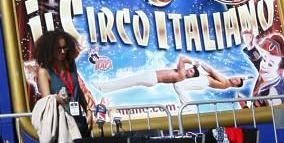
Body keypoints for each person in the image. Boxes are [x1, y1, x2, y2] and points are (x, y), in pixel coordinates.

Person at [95, 56, 246, 104]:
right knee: (128, 81)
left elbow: (181, 58)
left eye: (191, 71)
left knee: (128, 81)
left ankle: (104, 86)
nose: (188, 70)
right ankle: (105, 87)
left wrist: (194, 62)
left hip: (152, 77)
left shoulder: (181, 75)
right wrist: (197, 66)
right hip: (152, 77)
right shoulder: (182, 75)